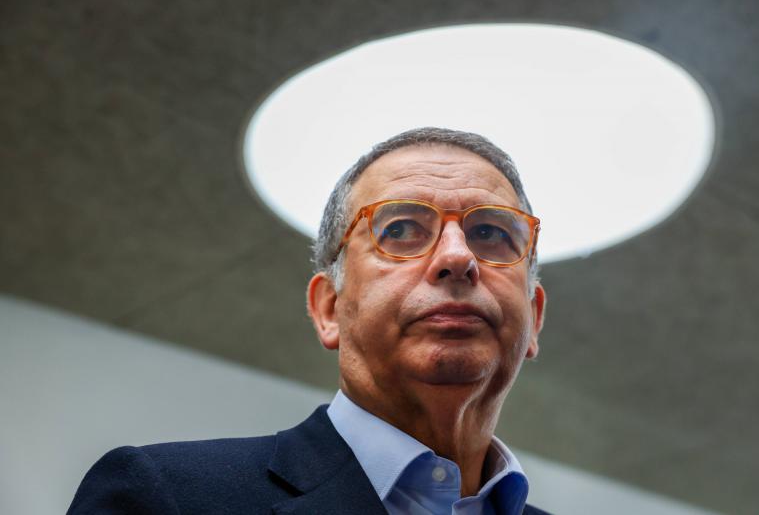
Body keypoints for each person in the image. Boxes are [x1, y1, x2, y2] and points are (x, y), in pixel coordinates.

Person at [67, 127, 549, 515]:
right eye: (400, 229)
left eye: (490, 233)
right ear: (329, 308)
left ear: (533, 317)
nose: (458, 257)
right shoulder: (162, 496)